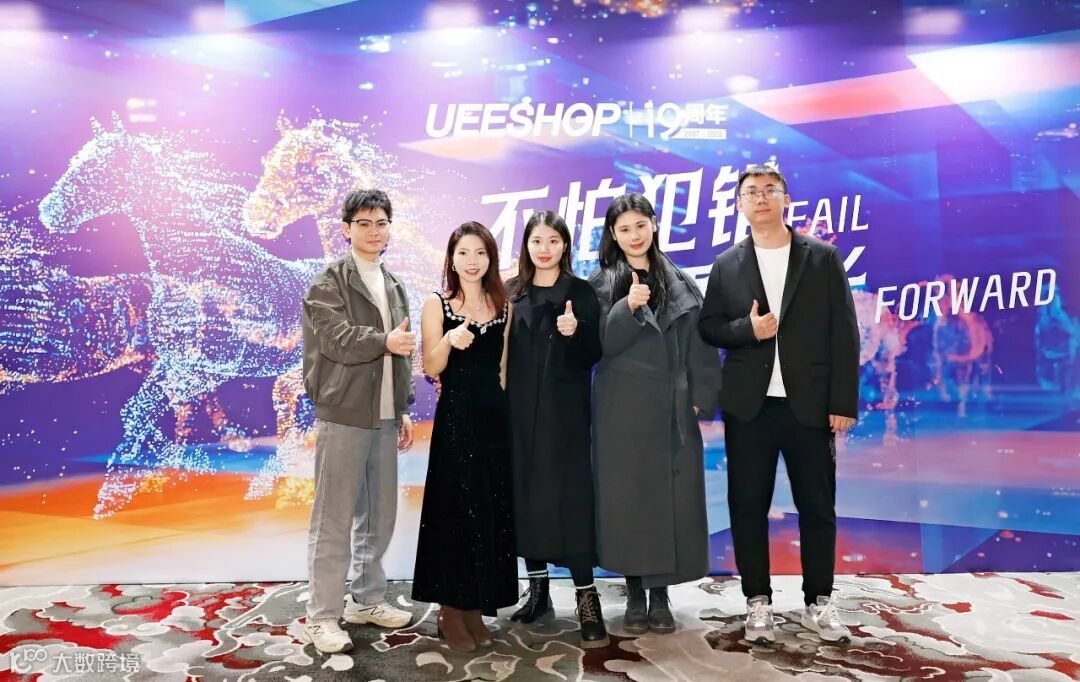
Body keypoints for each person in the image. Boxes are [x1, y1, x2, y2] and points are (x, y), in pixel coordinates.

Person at [698, 164, 860, 644]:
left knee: (817, 507)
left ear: (786, 199)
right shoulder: (727, 263)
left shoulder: (822, 258)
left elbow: (844, 333)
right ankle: (758, 601)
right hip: (750, 408)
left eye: (770, 190)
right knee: (747, 507)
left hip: (809, 405)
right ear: (739, 204)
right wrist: (747, 330)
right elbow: (709, 327)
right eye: (751, 192)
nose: (761, 198)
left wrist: (843, 401)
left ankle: (819, 600)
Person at [588, 193, 723, 635]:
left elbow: (702, 347)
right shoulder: (600, 284)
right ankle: (635, 592)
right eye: (624, 229)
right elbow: (597, 347)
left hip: (671, 407)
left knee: (668, 501)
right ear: (613, 234)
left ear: (654, 226)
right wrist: (626, 308)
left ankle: (661, 594)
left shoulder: (681, 281)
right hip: (620, 408)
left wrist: (698, 398)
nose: (634, 236)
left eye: (640, 226)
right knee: (629, 499)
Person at [299, 189, 416, 654]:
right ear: (346, 229)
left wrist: (403, 406)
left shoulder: (394, 284)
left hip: (384, 417)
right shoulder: (328, 282)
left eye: (381, 222)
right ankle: (322, 616)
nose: (373, 231)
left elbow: (403, 352)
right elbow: (338, 339)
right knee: (333, 519)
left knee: (379, 517)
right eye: (364, 223)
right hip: (344, 414)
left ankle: (366, 600)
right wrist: (384, 341)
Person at [412, 221, 518, 652]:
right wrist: (450, 341)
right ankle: (449, 611)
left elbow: (504, 368)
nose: (472, 261)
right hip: (456, 420)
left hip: (494, 420)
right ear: (451, 260)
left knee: (488, 511)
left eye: (480, 253)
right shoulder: (436, 303)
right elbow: (431, 367)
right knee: (455, 512)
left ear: (490, 258)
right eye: (463, 253)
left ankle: (475, 606)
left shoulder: (504, 305)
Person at [504, 211, 607, 648]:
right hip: (518, 413)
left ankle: (587, 597)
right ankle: (539, 590)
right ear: (526, 246)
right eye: (536, 241)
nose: (544, 249)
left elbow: (595, 353)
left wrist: (575, 331)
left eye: (553, 240)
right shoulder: (511, 292)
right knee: (526, 495)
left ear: (565, 245)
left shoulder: (580, 292)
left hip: (566, 416)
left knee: (571, 498)